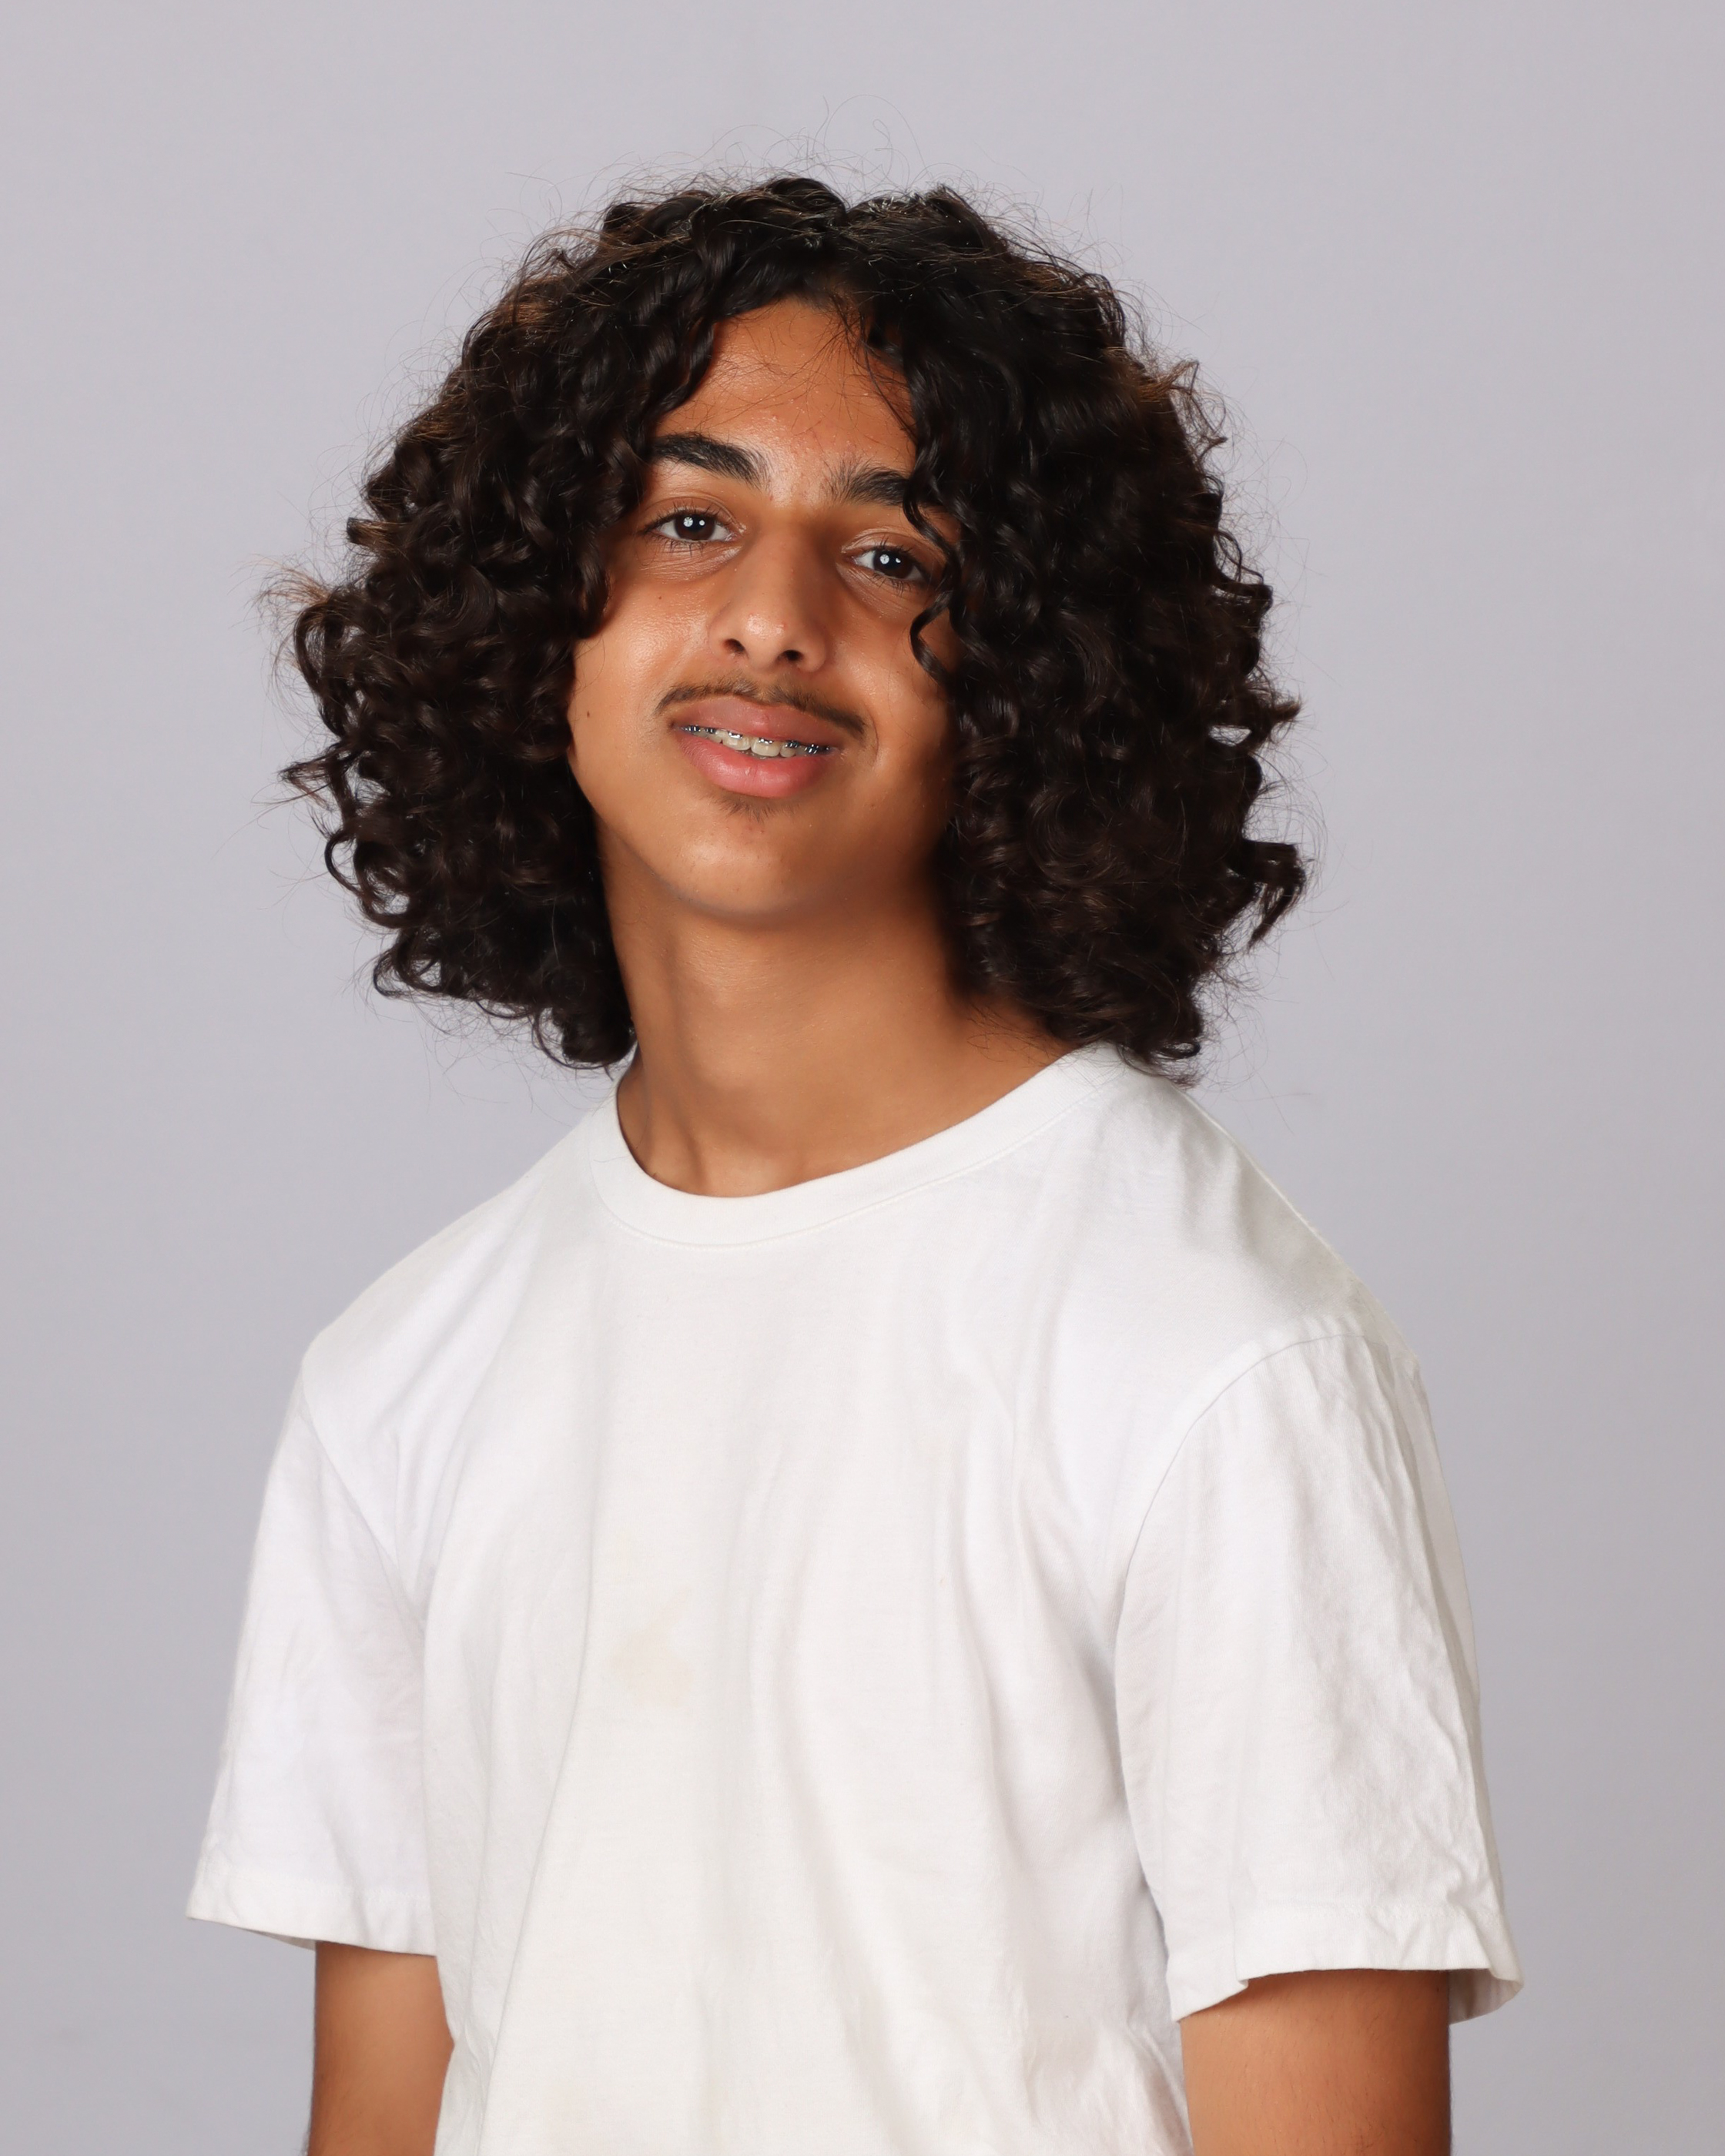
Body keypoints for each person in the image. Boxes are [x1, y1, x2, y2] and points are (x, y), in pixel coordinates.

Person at [189, 176, 1519, 2156]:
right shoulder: (398, 1378)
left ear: (1030, 675)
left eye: (894, 554)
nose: (771, 616)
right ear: (535, 615)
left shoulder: (1217, 1355)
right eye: (688, 519)